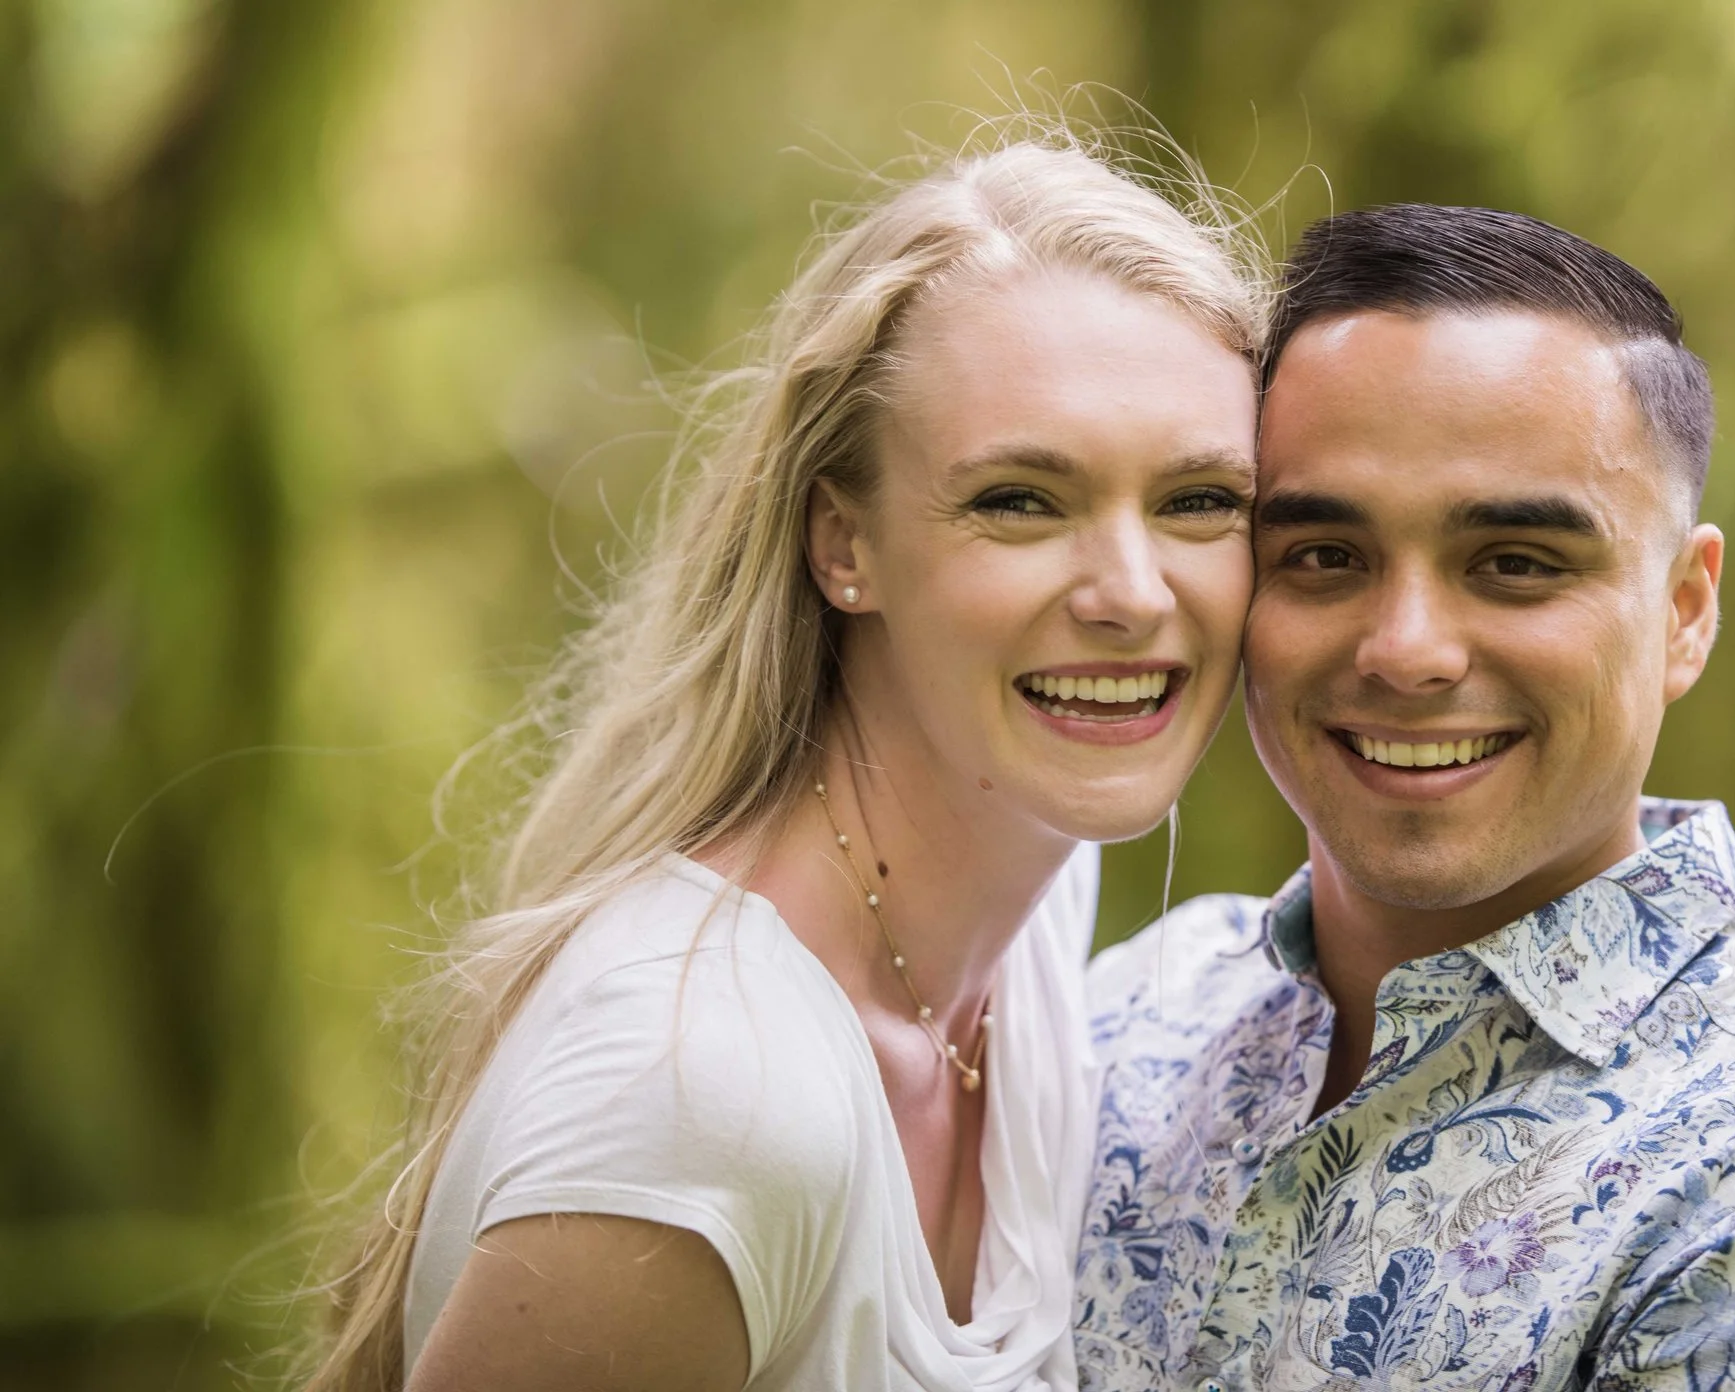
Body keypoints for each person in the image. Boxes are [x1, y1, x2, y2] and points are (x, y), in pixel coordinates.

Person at [302, 138, 1267, 1392]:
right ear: (842, 543)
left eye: (1199, 500)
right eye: (1020, 501)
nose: (1133, 594)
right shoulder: (712, 1096)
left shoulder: (1028, 895)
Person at [1074, 205, 1735, 1391]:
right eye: (1325, 557)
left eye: (1517, 566)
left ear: (1685, 610)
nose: (1407, 651)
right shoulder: (1124, 1026)